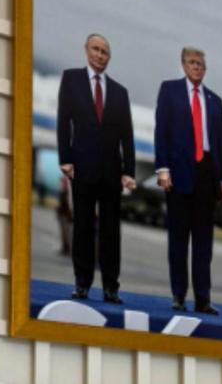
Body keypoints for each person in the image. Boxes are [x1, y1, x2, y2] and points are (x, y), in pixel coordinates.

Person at [57, 34, 137, 304]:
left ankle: (111, 287)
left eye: (104, 52)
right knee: (82, 229)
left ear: (108, 57)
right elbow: (63, 121)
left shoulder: (119, 92)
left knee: (111, 232)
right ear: (86, 50)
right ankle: (82, 284)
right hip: (81, 168)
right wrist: (65, 158)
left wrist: (129, 171)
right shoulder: (71, 79)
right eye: (96, 49)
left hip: (111, 173)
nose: (100, 55)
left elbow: (127, 135)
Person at [154, 46, 222, 315]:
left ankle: (203, 299)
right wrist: (162, 170)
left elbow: (221, 143)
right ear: (183, 65)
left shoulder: (215, 101)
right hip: (178, 173)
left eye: (200, 63)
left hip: (207, 175)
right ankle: (178, 295)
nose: (196, 67)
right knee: (178, 239)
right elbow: (161, 132)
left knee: (203, 242)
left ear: (204, 69)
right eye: (191, 62)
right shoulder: (170, 91)